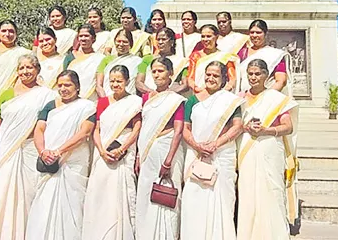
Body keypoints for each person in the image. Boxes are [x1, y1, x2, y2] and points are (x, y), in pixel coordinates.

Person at [0, 55, 56, 239]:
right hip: (7, 152)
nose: (25, 71)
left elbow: (49, 126)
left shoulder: (47, 95)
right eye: (21, 68)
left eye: (29, 67)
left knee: (29, 196)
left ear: (37, 70)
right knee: (1, 196)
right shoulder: (6, 94)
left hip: (31, 150)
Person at [26, 70, 97, 240]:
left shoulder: (87, 106)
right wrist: (43, 152)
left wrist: (59, 151)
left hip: (73, 162)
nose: (63, 89)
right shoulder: (50, 106)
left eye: (68, 85)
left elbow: (84, 133)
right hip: (49, 161)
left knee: (72, 205)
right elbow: (39, 129)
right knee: (43, 203)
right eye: (60, 85)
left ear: (77, 87)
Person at [180, 62, 244, 240]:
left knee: (222, 201)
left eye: (215, 75)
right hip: (197, 155)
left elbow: (237, 127)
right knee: (193, 200)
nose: (210, 78)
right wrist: (197, 146)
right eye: (208, 74)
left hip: (222, 156)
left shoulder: (230, 102)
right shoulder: (193, 100)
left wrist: (216, 144)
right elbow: (185, 128)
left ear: (224, 79)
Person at [237, 59, 298, 240]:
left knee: (272, 191)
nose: (254, 77)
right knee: (248, 193)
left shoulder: (276, 100)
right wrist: (246, 127)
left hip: (270, 148)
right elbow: (234, 125)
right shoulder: (239, 99)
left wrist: (267, 130)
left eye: (258, 74)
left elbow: (288, 127)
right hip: (247, 149)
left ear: (267, 76)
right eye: (250, 74)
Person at [82, 65, 142, 240]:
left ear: (127, 82)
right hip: (103, 152)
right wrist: (101, 151)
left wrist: (123, 148)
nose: (115, 84)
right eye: (112, 81)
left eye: (119, 81)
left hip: (124, 151)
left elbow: (137, 127)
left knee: (121, 191)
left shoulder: (135, 103)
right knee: (99, 191)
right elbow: (97, 129)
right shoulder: (102, 102)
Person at [135, 57, 187, 240]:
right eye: (154, 71)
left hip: (167, 149)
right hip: (147, 152)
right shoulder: (146, 98)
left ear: (170, 74)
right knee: (146, 191)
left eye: (161, 71)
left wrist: (168, 160)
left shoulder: (176, 100)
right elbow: (143, 126)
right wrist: (137, 155)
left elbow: (179, 130)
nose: (157, 75)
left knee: (167, 193)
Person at [237, 19, 290, 94]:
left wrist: (264, 97)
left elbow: (281, 81)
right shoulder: (242, 53)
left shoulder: (275, 54)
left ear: (266, 34)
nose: (254, 35)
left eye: (258, 32)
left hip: (266, 99)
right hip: (244, 98)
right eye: (252, 32)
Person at [136, 27, 189, 95]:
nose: (160, 42)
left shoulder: (182, 61)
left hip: (171, 98)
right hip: (150, 98)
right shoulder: (147, 59)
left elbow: (185, 85)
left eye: (163, 39)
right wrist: (152, 92)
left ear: (172, 41)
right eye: (158, 39)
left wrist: (167, 93)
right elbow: (139, 82)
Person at [188, 24, 238, 95]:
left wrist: (223, 91)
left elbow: (232, 79)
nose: (205, 39)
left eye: (208, 36)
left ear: (216, 37)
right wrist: (198, 89)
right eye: (203, 36)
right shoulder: (195, 56)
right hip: (199, 94)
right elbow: (190, 78)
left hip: (219, 95)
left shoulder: (225, 56)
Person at [64, 24, 106, 100]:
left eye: (86, 36)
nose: (83, 39)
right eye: (81, 36)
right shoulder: (70, 57)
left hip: (92, 100)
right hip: (72, 99)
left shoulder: (100, 58)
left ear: (93, 38)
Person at [95, 29, 143, 98]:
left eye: (125, 42)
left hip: (129, 101)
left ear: (131, 44)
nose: (121, 44)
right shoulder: (106, 60)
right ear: (114, 42)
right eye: (118, 41)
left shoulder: (138, 62)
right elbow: (99, 86)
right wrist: (105, 100)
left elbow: (139, 84)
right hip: (108, 100)